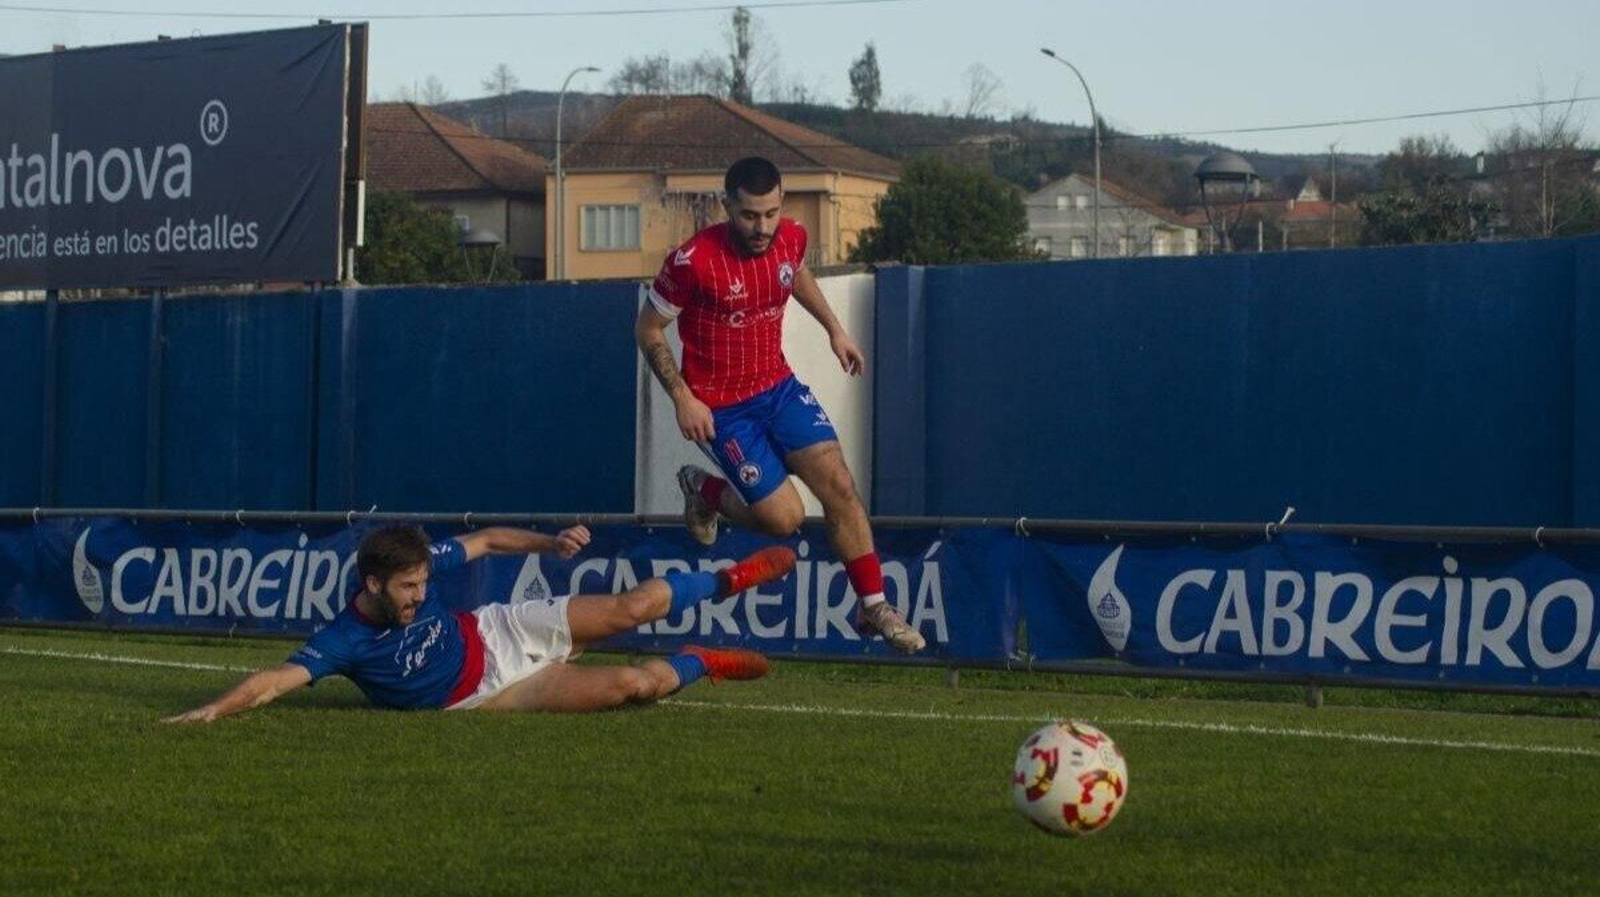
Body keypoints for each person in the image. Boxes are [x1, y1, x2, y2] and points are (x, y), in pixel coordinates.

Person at [634, 155, 925, 654]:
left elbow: (797, 274)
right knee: (783, 520)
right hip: (722, 409)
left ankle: (875, 604)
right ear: (728, 207)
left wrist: (835, 330)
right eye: (749, 215)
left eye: (770, 213)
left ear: (781, 205)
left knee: (839, 484)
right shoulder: (692, 262)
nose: (761, 227)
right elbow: (648, 328)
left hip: (778, 388)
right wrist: (683, 398)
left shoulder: (791, 236)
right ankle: (702, 489)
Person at [163, 524, 793, 722]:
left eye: (423, 582)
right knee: (634, 687)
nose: (420, 593)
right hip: (488, 694)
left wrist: (550, 543)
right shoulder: (343, 640)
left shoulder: (418, 565)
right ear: (373, 586)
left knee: (630, 607)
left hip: (500, 630)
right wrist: (213, 710)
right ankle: (701, 662)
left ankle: (727, 579)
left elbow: (488, 540)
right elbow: (273, 681)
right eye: (409, 588)